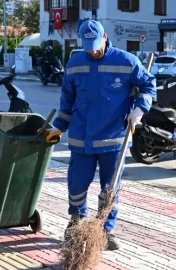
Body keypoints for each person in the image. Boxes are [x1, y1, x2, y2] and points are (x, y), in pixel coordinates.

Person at [44, 20, 156, 251]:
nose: (92, 51)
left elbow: (148, 86)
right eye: (88, 46)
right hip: (81, 137)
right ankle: (76, 221)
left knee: (110, 188)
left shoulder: (126, 61)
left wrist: (138, 111)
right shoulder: (75, 63)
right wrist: (59, 127)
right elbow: (67, 100)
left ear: (105, 38)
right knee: (77, 183)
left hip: (113, 138)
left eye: (95, 45)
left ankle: (106, 230)